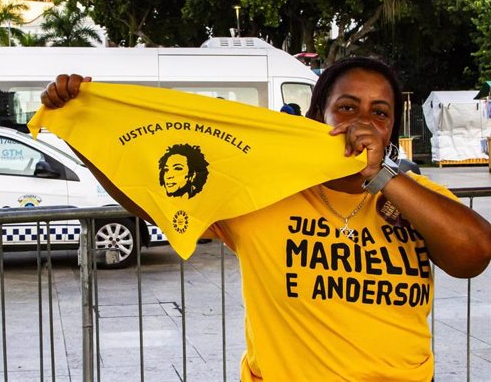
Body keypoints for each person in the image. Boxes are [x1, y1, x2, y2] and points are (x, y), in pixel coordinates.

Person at [40, 58, 491, 381]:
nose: (365, 123)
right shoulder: (263, 195)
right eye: (348, 107)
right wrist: (83, 131)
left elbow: (473, 255)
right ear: (319, 118)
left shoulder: (416, 195)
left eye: (380, 112)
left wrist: (383, 176)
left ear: (391, 128)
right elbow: (152, 200)